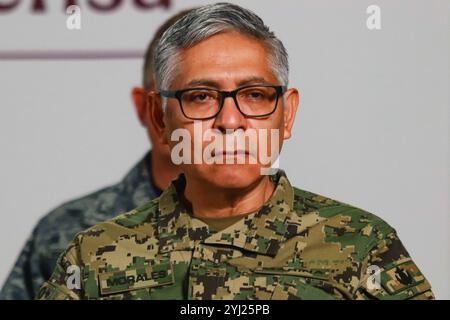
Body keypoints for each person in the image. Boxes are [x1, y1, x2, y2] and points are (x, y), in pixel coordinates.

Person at [37, 3, 434, 300]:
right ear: (160, 121)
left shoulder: (362, 246)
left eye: (255, 95)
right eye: (201, 97)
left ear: (287, 113)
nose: (230, 122)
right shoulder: (94, 256)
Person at [0, 10, 192, 300]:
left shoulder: (284, 229)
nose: (220, 118)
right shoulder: (65, 235)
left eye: (247, 95)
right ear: (145, 107)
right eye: (194, 95)